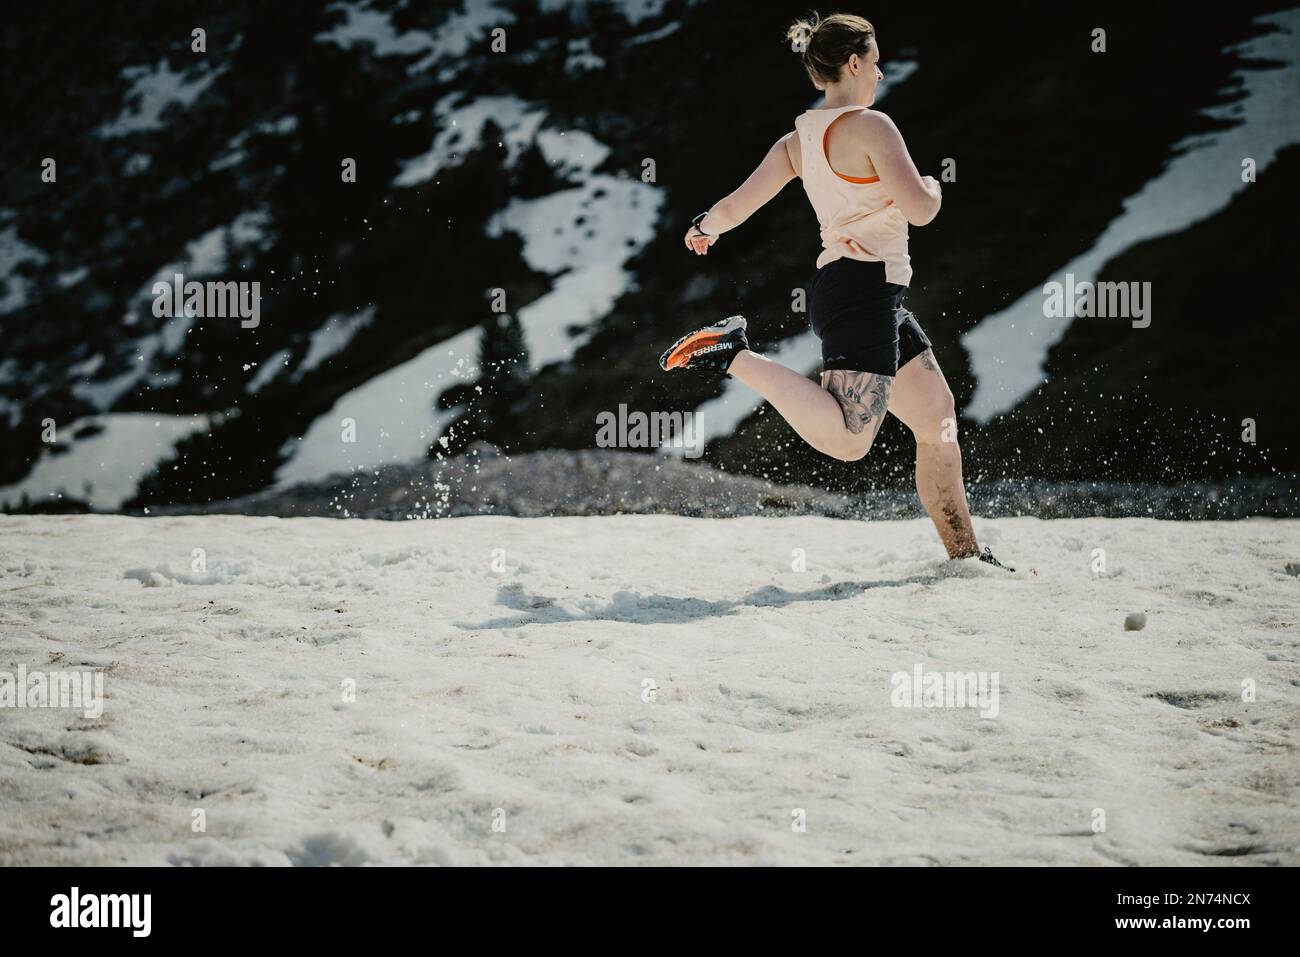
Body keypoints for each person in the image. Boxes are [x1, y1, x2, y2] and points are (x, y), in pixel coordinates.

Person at [660, 12, 1010, 569]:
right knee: (851, 439)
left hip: (864, 291)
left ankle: (966, 558)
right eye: (874, 60)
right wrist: (932, 186)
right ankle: (735, 355)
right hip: (863, 292)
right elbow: (920, 211)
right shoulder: (873, 126)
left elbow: (736, 205)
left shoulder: (797, 140)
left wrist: (706, 227)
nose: (880, 70)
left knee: (937, 416)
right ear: (853, 62)